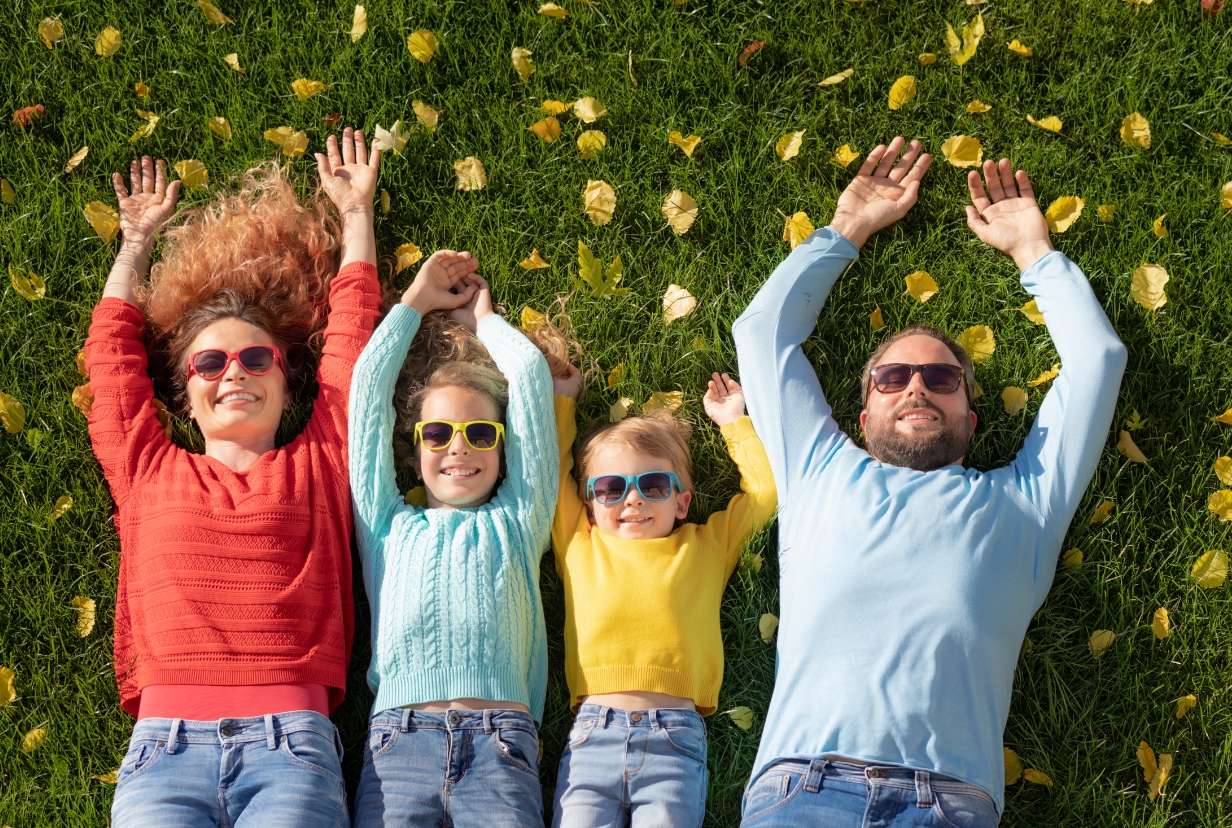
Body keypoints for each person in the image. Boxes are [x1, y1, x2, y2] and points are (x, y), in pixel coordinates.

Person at [732, 137, 1127, 827]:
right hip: (804, 792)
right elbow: (763, 332)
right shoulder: (818, 468)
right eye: (893, 377)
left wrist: (1035, 251)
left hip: (947, 804)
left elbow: (1097, 360)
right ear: (863, 415)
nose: (917, 387)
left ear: (970, 421)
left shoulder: (1025, 503)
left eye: (941, 378)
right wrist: (847, 227)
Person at [87, 129, 382, 826]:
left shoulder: (323, 460)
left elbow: (352, 346)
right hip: (162, 754)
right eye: (209, 365)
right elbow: (110, 359)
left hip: (292, 748)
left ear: (286, 379)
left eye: (256, 359)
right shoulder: (145, 465)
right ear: (183, 394)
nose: (234, 375)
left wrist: (357, 215)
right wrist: (135, 243)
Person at [348, 254, 561, 827]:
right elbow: (367, 390)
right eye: (438, 433)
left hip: (502, 745)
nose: (458, 447)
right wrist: (413, 305)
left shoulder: (520, 520)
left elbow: (533, 382)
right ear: (416, 447)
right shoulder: (385, 525)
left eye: (480, 433)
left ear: (504, 448)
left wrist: (486, 323)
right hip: (400, 743)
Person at [549, 369, 777, 828]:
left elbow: (765, 494)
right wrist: (561, 404)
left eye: (652, 486)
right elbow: (549, 474)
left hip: (675, 735)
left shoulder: (705, 545)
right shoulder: (577, 541)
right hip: (593, 734)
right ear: (588, 504)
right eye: (611, 489)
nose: (631, 500)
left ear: (681, 502)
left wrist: (733, 421)